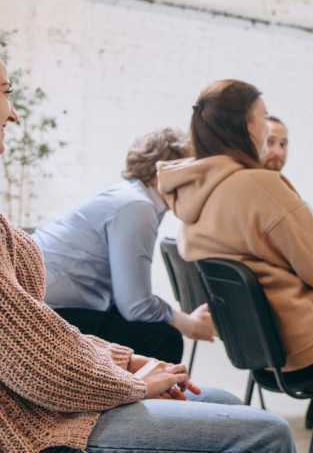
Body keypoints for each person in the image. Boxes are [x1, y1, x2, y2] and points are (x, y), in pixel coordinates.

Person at [0, 57, 295, 453]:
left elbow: (37, 337)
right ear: (164, 170)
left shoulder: (134, 203)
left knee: (221, 400)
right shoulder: (135, 207)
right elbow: (128, 306)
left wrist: (127, 362)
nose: (14, 112)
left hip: (61, 338)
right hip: (35, 409)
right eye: (6, 93)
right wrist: (136, 380)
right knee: (263, 427)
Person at [157, 79, 313, 430]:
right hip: (311, 351)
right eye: (263, 117)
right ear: (249, 125)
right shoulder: (258, 185)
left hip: (260, 356)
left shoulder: (193, 197)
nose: (265, 126)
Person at [33, 128, 215, 364]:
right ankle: (150, 399)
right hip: (49, 314)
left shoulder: (129, 197)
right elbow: (135, 305)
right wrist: (187, 324)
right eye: (189, 172)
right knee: (164, 338)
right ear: (162, 173)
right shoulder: (138, 207)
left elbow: (130, 300)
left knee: (151, 326)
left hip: (53, 305)